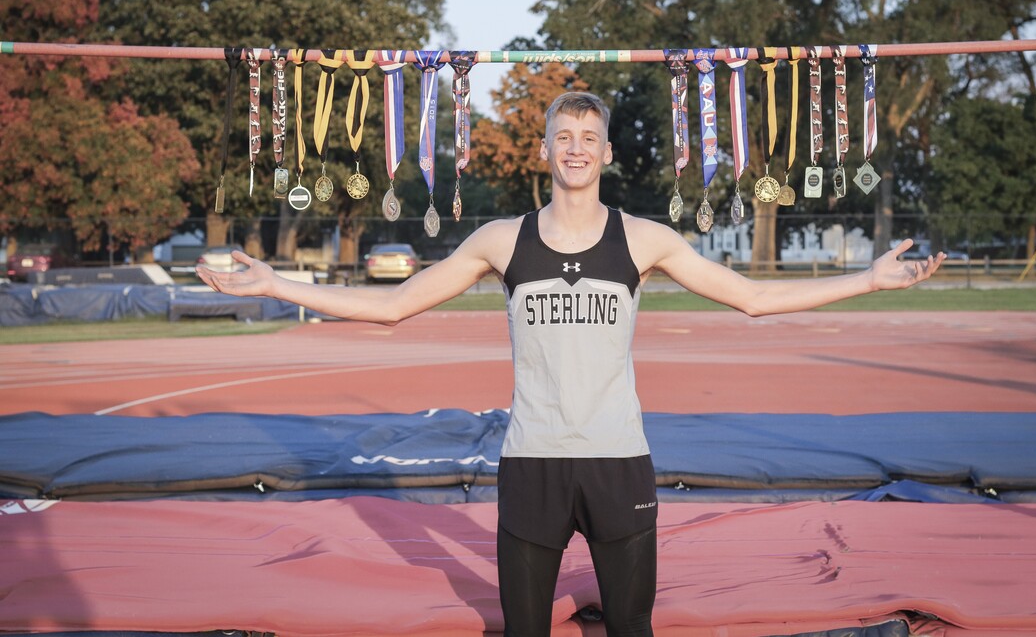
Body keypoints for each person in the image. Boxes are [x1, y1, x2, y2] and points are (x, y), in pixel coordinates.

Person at [198, 91, 946, 637]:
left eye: (590, 135)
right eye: (565, 134)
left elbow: (750, 297)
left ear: (607, 152)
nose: (577, 146)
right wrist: (273, 284)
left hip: (620, 462)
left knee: (631, 628)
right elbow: (392, 306)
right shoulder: (501, 240)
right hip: (533, 464)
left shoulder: (644, 239)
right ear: (546, 149)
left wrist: (867, 279)